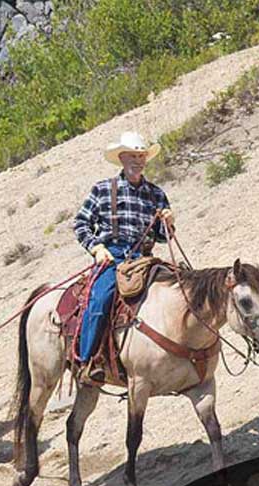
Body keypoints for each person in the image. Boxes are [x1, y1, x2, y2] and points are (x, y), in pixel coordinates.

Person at [73, 131, 175, 377]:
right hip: (112, 255)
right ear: (122, 158)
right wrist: (97, 249)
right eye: (133, 156)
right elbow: (80, 223)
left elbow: (163, 236)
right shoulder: (102, 189)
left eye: (141, 156)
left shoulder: (156, 194)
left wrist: (169, 222)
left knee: (180, 285)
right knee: (99, 301)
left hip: (144, 258)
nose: (138, 161)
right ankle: (88, 361)